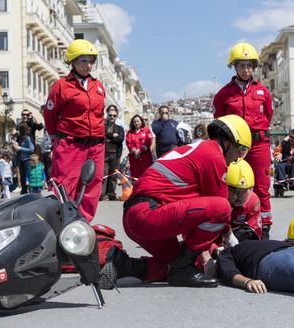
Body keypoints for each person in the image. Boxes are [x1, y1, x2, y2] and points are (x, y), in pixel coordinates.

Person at [100, 114, 252, 289]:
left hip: (136, 217)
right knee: (222, 207)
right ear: (229, 142)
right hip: (148, 215)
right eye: (241, 150)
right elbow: (218, 211)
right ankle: (182, 270)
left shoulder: (198, 150)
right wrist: (231, 242)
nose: (238, 158)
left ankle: (124, 265)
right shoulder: (214, 156)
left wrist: (201, 256)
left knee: (180, 264)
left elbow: (195, 218)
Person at [213, 42, 273, 238]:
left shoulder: (263, 92)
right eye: (241, 65)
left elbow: (269, 115)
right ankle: (228, 225)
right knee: (231, 183)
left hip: (259, 144)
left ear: (254, 67)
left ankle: (264, 226)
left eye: (249, 65)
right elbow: (219, 121)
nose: (246, 70)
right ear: (234, 67)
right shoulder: (224, 94)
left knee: (262, 186)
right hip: (235, 147)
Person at [43, 39, 106, 222]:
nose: (88, 65)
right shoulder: (61, 86)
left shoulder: (99, 86)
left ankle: (82, 224)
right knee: (64, 184)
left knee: (92, 186)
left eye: (91, 61)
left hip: (96, 145)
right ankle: (60, 222)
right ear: (73, 62)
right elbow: (50, 115)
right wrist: (57, 138)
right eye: (83, 61)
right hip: (70, 144)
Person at [225, 159, 262, 241]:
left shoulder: (252, 202)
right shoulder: (217, 201)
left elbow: (254, 233)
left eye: (244, 191)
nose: (240, 197)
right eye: (235, 191)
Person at [101, 106, 125, 201]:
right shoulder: (102, 126)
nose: (112, 117)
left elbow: (120, 139)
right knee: (104, 175)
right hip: (104, 154)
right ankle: (102, 194)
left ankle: (111, 194)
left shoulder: (119, 128)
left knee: (114, 175)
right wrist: (112, 135)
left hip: (115, 154)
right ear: (107, 115)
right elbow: (102, 136)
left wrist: (108, 138)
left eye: (114, 116)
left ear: (116, 116)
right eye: (110, 115)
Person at [126, 115, 154, 179]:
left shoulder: (147, 130)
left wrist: (140, 150)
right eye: (134, 122)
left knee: (146, 177)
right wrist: (135, 151)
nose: (136, 123)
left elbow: (148, 142)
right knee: (135, 178)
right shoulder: (130, 133)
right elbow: (129, 143)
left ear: (141, 122)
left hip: (145, 158)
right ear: (132, 123)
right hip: (134, 159)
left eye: (138, 121)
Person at [12, 123, 35, 195]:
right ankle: (24, 191)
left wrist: (20, 148)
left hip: (27, 160)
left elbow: (32, 149)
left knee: (29, 176)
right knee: (22, 177)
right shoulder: (19, 138)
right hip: (21, 160)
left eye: (19, 130)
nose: (17, 131)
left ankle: (31, 191)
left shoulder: (28, 138)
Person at [39, 105, 53, 181]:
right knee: (47, 172)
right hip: (45, 151)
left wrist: (52, 150)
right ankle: (50, 189)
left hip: (49, 151)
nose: (40, 113)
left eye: (41, 111)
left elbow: (52, 137)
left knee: (50, 172)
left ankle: (52, 190)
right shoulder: (46, 121)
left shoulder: (50, 120)